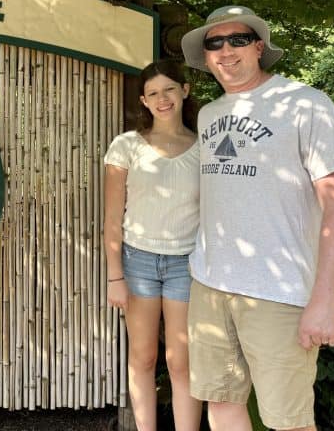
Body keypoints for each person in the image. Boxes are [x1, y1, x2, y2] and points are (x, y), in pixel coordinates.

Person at [181, 5, 334, 431]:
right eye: (214, 43)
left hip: (279, 291)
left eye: (237, 39)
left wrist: (325, 301)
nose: (225, 50)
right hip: (210, 285)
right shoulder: (209, 115)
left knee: (288, 421)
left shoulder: (306, 105)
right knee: (220, 403)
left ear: (258, 47)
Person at [104, 59, 203, 431]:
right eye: (153, 93)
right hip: (138, 262)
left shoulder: (204, 147)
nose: (162, 99)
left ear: (185, 91)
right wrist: (116, 276)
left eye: (169, 90)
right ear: (144, 102)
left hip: (187, 264)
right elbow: (113, 218)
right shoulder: (126, 146)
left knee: (182, 361)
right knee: (143, 357)